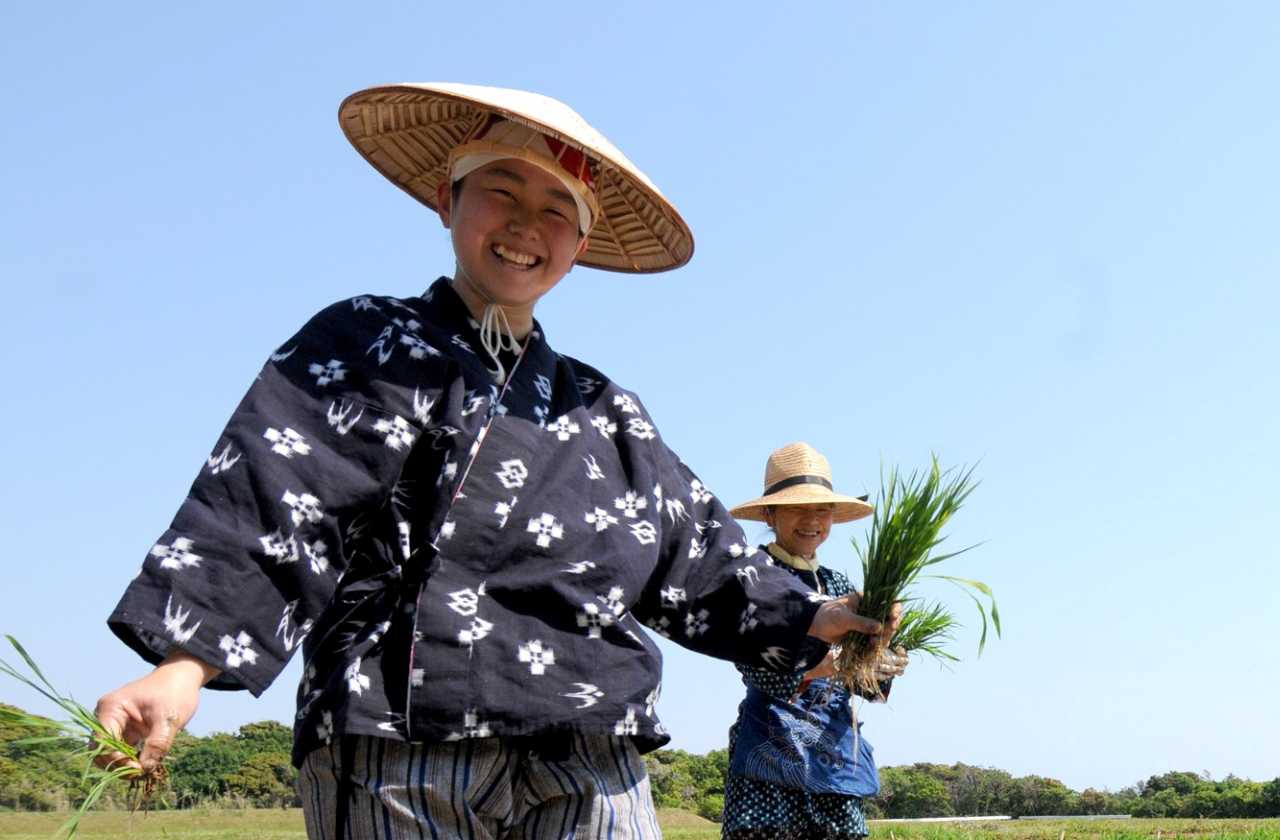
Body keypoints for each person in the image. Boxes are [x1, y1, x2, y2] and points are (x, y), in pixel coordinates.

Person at [92, 83, 890, 840]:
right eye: (501, 192)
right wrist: (183, 669)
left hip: (591, 746)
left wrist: (818, 616)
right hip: (398, 738)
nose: (524, 225)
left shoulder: (607, 411)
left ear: (579, 244)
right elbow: (278, 497)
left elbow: (701, 561)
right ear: (449, 199)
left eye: (555, 210)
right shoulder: (369, 344)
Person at [721, 443, 909, 840]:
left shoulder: (840, 586)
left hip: (833, 750)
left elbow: (862, 685)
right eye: (797, 508)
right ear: (770, 514)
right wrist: (832, 663)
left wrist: (880, 663)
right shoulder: (752, 576)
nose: (812, 520)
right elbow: (757, 666)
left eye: (822, 509)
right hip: (769, 749)